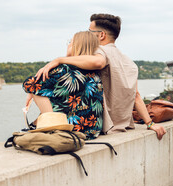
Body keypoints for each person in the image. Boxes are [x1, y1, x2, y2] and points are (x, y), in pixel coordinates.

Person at [35, 14, 166, 140]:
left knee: (39, 88)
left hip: (101, 124)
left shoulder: (100, 51)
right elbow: (136, 96)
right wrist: (150, 123)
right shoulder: (129, 62)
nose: (87, 35)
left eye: (90, 31)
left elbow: (99, 62)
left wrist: (59, 60)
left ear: (101, 35)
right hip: (121, 125)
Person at [23, 31, 103, 140]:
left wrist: (32, 93)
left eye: (70, 41)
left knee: (37, 89)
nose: (68, 44)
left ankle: (51, 126)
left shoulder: (63, 70)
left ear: (77, 46)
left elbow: (29, 84)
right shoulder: (96, 73)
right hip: (92, 131)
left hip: (69, 131)